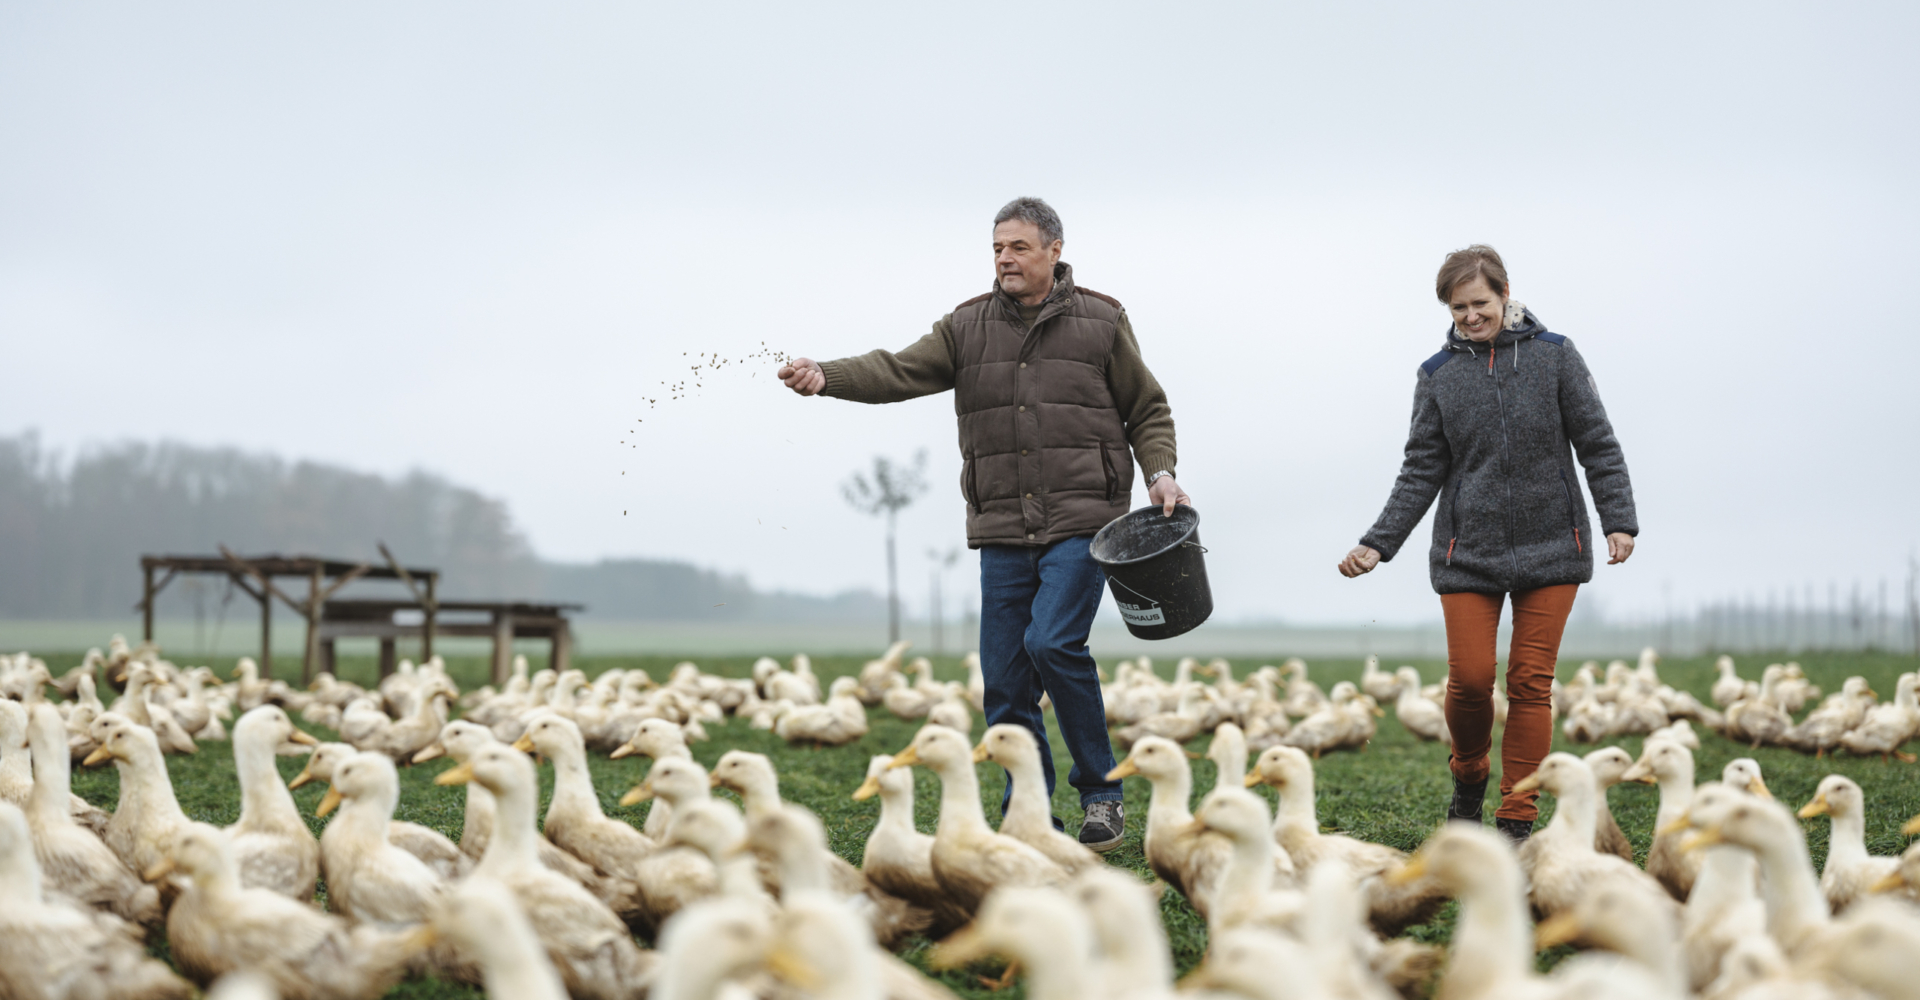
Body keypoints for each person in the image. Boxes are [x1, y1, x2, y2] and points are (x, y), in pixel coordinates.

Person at [777, 197, 1188, 851]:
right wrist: (829, 375)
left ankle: (1102, 795)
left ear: (1054, 250)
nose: (1004, 259)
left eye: (1018, 247)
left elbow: (1148, 408)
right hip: (1000, 523)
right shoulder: (966, 327)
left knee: (1053, 645)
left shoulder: (1102, 320)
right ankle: (1028, 812)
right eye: (997, 247)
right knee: (1002, 678)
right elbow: (899, 369)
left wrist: (1160, 472)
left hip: (1085, 518)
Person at [1337, 244, 1637, 845]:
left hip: (1555, 543)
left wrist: (1618, 519)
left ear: (1505, 295)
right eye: (1458, 308)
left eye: (1481, 303)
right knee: (1472, 680)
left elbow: (1597, 442)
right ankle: (1469, 773)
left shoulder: (1556, 357)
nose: (1471, 316)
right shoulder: (1438, 375)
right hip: (1466, 550)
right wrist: (1378, 543)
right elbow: (1421, 468)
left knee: (1530, 682)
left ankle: (1517, 819)